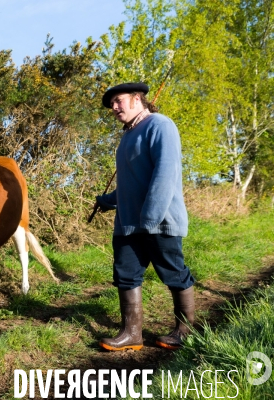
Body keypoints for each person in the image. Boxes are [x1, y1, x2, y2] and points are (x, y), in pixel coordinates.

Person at [94, 82, 195, 351]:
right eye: (112, 104)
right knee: (125, 275)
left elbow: (165, 174)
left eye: (119, 100)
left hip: (160, 222)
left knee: (174, 274)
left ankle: (185, 331)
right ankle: (131, 334)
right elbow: (131, 183)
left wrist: (150, 219)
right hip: (128, 224)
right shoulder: (128, 135)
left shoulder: (160, 125)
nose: (115, 107)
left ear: (138, 98)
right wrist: (108, 201)